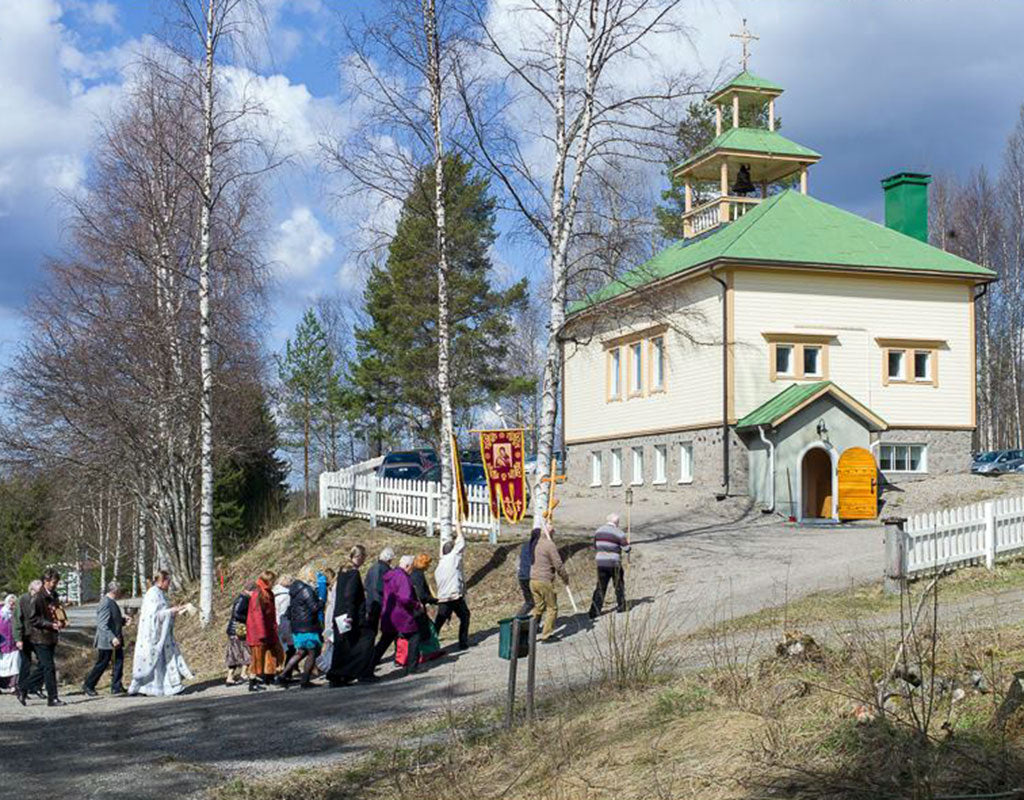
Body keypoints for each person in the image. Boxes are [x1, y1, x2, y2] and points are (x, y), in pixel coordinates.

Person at [128, 570, 193, 697]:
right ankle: (144, 688)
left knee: (163, 662)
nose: (169, 584)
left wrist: (174, 611)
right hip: (153, 636)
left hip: (162, 636)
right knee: (153, 661)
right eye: (168, 581)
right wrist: (171, 611)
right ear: (162, 581)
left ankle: (170, 687)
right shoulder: (152, 594)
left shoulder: (160, 593)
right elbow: (154, 616)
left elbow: (161, 612)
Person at [327, 545, 377, 686]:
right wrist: (350, 615)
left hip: (340, 614)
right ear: (359, 556)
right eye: (364, 557)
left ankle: (338, 676)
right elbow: (350, 595)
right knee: (366, 640)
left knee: (343, 646)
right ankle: (362, 672)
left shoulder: (342, 571)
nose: (364, 560)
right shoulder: (353, 573)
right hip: (351, 615)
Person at [373, 556, 425, 675]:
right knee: (414, 637)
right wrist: (416, 605)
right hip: (402, 615)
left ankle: (368, 666)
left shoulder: (391, 574)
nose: (412, 570)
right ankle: (412, 667)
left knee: (384, 641)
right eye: (412, 567)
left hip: (389, 614)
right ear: (407, 566)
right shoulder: (403, 577)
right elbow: (405, 598)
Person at [24, 568, 67, 706]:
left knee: (44, 667)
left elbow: (57, 611)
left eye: (56, 582)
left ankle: (23, 687)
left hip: (51, 636)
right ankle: (52, 698)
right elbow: (33, 619)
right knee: (49, 667)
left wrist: (62, 620)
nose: (55, 585)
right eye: (54, 582)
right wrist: (50, 624)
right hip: (40, 637)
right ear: (45, 581)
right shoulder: (38, 597)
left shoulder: (54, 595)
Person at [82, 581, 131, 696]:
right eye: (120, 591)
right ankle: (88, 685)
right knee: (102, 663)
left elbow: (113, 620)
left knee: (119, 661)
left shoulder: (112, 602)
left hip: (116, 638)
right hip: (107, 640)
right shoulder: (105, 602)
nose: (121, 593)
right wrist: (112, 638)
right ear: (115, 591)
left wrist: (123, 621)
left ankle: (116, 686)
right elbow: (102, 624)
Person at [280, 576, 324, 688]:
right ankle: (305, 680)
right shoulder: (306, 590)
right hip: (308, 625)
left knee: (301, 652)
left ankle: (283, 675)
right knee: (312, 652)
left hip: (297, 626)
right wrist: (321, 601)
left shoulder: (293, 591)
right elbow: (314, 607)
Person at [530, 521, 571, 643]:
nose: (554, 534)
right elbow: (558, 564)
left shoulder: (534, 543)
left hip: (533, 580)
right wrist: (565, 578)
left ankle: (529, 632)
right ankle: (546, 635)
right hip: (544, 581)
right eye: (553, 532)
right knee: (552, 608)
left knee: (538, 607)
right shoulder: (549, 545)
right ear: (550, 532)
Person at [588, 512, 630, 618]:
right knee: (618, 584)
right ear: (617, 522)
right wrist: (628, 545)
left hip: (601, 563)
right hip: (614, 563)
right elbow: (626, 549)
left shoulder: (598, 531)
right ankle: (621, 606)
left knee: (600, 586)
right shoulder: (619, 533)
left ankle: (594, 611)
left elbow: (595, 545)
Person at [434, 530, 471, 650]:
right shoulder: (452, 558)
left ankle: (431, 642)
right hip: (454, 595)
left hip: (443, 597)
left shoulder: (439, 566)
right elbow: (461, 542)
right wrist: (459, 528)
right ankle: (463, 642)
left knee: (439, 622)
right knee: (465, 616)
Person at [246, 570, 283, 691]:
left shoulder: (269, 593)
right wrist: (262, 633)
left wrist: (273, 627)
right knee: (257, 657)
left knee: (272, 654)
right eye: (273, 581)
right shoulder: (258, 594)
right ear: (268, 581)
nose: (275, 583)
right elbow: (257, 615)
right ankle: (253, 681)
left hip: (269, 629)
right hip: (258, 631)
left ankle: (269, 676)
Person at [12, 580, 43, 704]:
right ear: (32, 588)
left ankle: (34, 686)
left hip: (39, 636)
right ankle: (22, 691)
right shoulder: (23, 599)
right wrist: (18, 638)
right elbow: (17, 620)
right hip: (26, 636)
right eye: (39, 588)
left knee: (44, 662)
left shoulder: (41, 599)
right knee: (26, 663)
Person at [225, 582, 254, 685]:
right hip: (239, 629)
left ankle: (230, 677)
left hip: (233, 630)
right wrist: (249, 619)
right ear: (250, 591)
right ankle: (243, 674)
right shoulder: (244, 599)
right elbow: (237, 614)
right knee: (247, 651)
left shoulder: (242, 597)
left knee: (233, 654)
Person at [364, 547, 394, 631]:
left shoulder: (372, 568)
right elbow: (381, 587)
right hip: (380, 603)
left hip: (370, 602)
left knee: (370, 630)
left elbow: (366, 585)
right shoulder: (385, 570)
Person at [516, 528, 542, 617]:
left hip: (522, 576)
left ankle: (517, 620)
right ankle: (535, 624)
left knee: (529, 602)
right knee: (539, 602)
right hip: (531, 577)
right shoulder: (537, 547)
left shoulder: (525, 545)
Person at [0, 594, 20, 693]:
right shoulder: (1, 612)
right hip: (2, 644)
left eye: (14, 602)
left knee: (15, 665)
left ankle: (13, 686)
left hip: (13, 644)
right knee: (1, 666)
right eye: (10, 602)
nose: (12, 604)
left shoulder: (17, 614)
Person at [273, 574, 294, 662]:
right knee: (289, 645)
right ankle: (288, 664)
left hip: (276, 621)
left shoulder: (274, 592)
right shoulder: (286, 595)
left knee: (281, 644)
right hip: (285, 621)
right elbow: (287, 610)